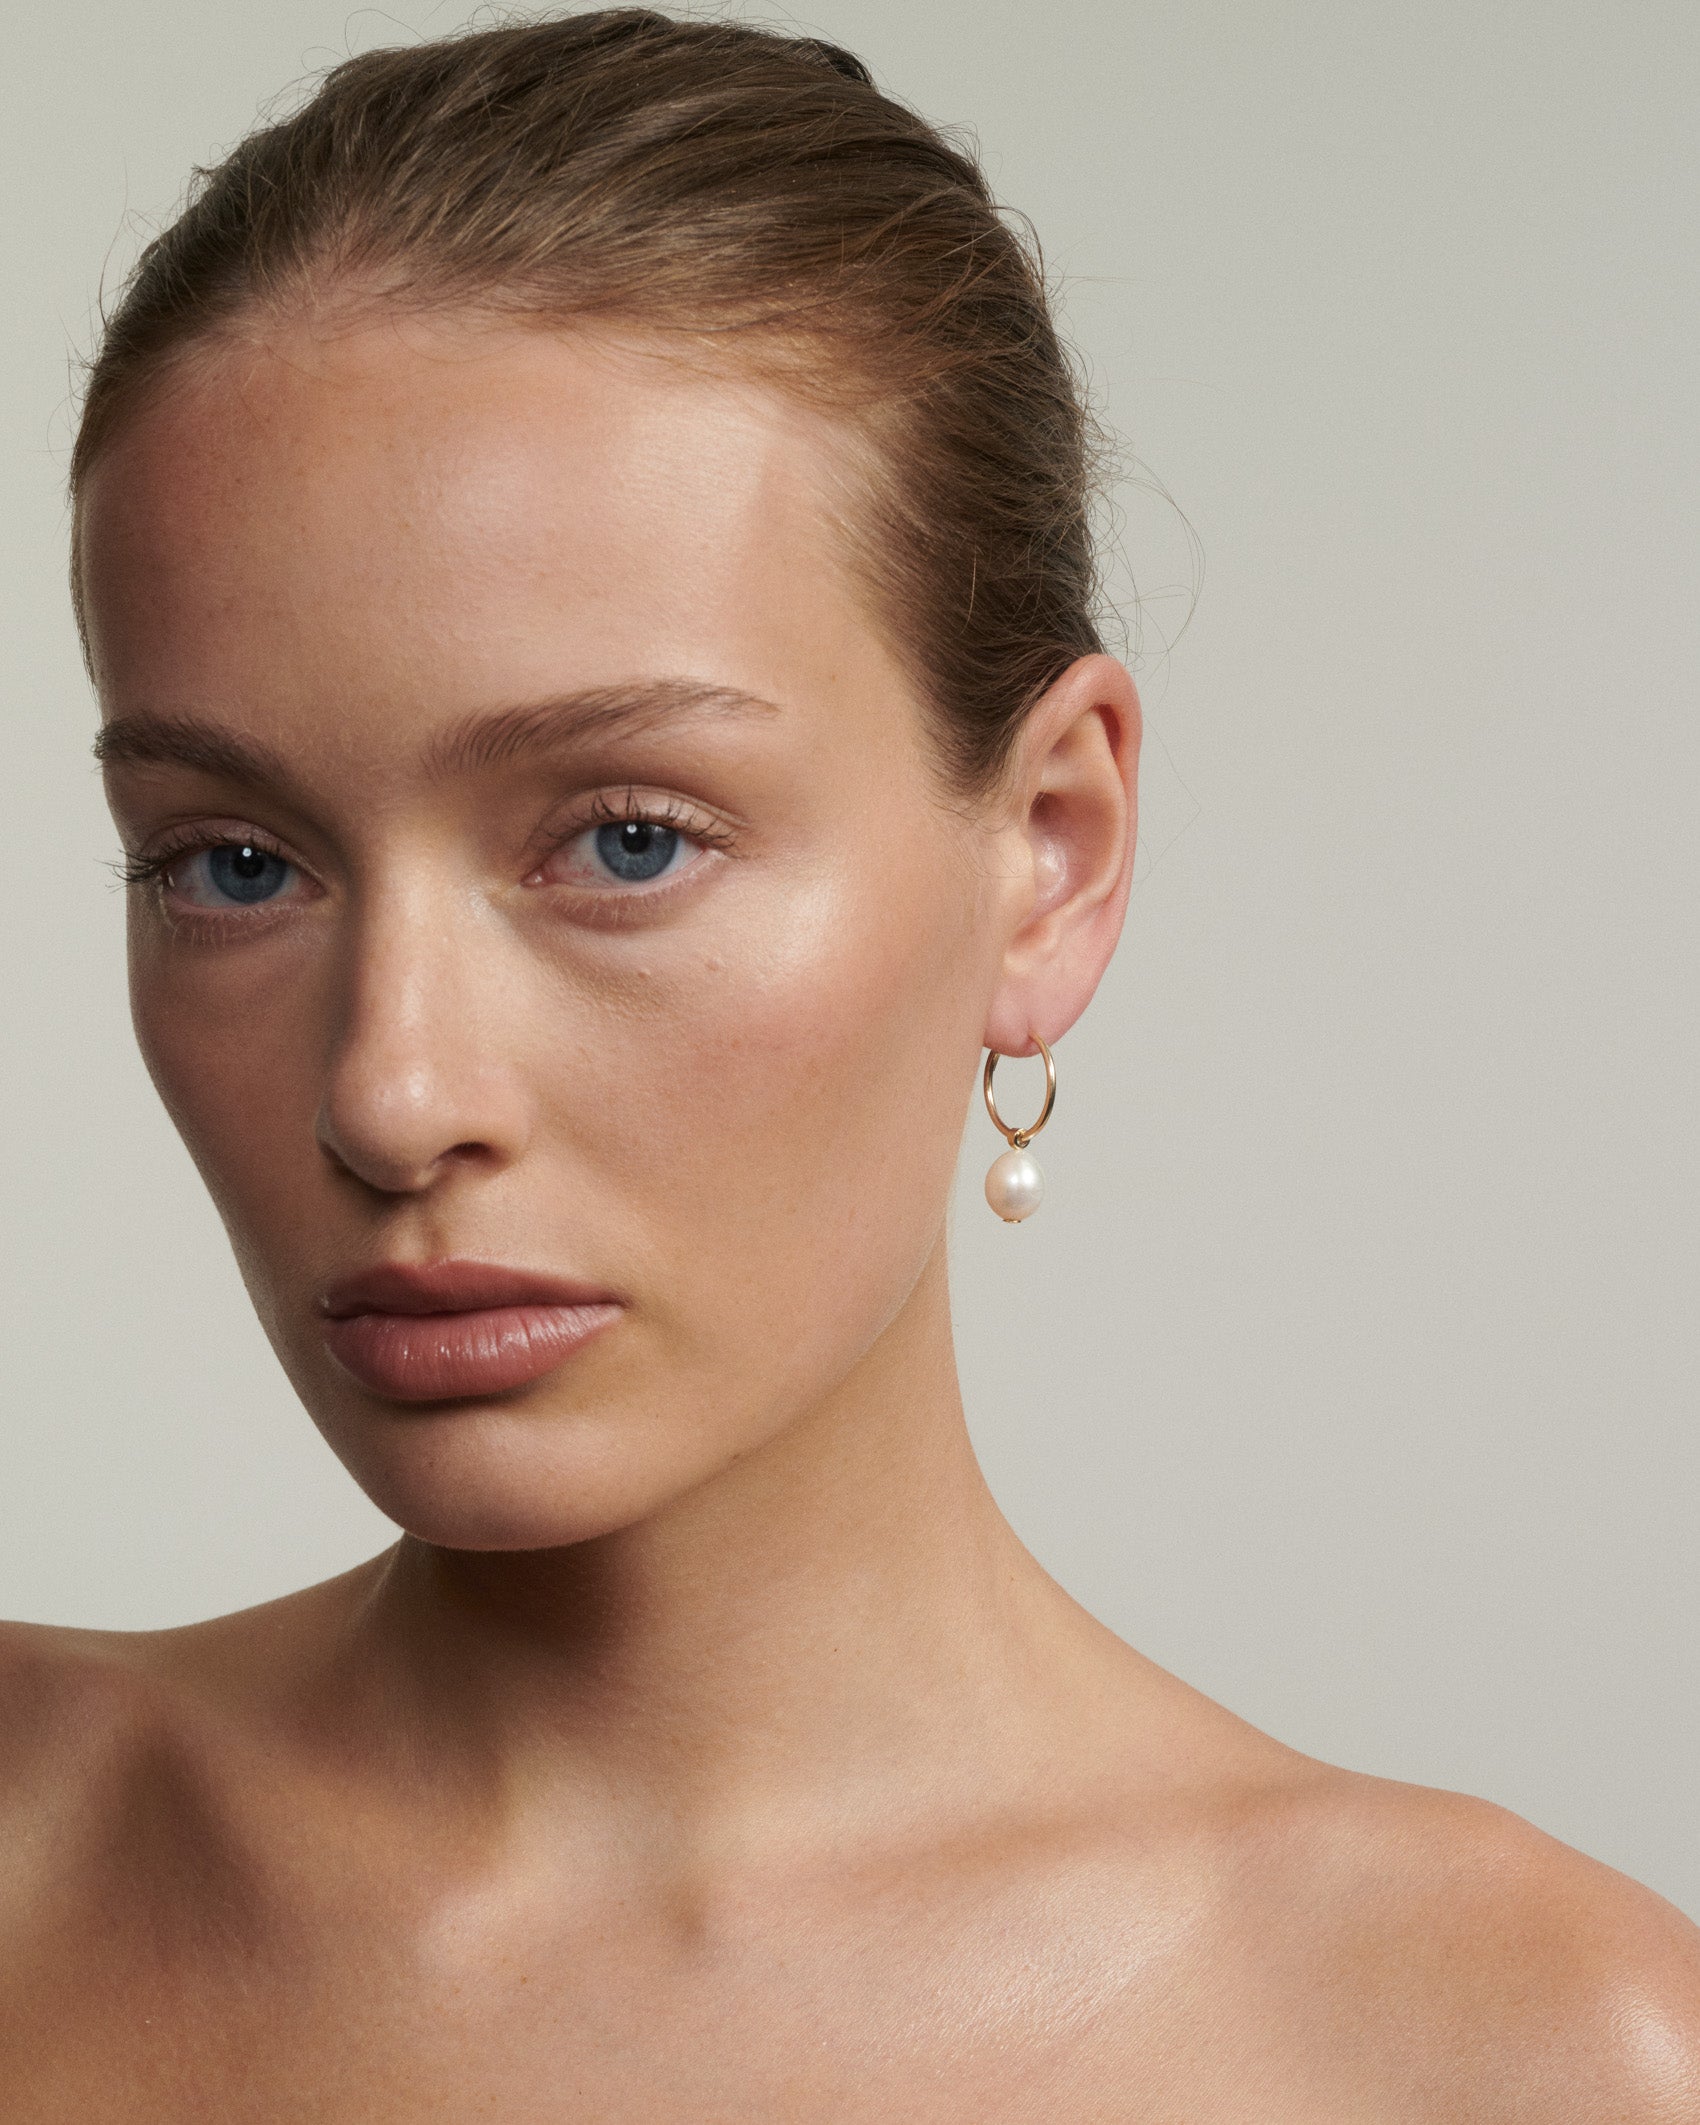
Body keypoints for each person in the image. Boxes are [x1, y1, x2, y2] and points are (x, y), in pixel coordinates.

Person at [4, 12, 1696, 2116]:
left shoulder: (1521, 2053)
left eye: (627, 838)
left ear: (1051, 857)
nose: (391, 1089)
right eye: (236, 863)